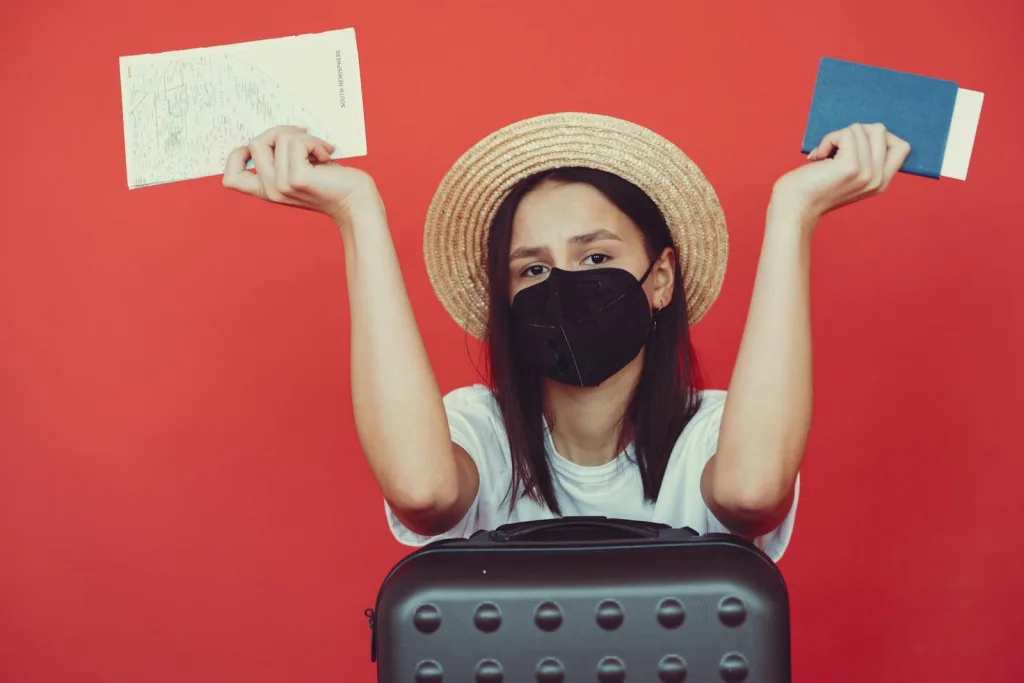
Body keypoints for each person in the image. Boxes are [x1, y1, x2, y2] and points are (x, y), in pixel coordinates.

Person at [222, 113, 910, 562]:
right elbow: (423, 493)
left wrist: (795, 213)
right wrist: (355, 211)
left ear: (661, 277)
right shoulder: (478, 430)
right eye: (534, 267)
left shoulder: (717, 434)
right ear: (507, 296)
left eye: (597, 257)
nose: (564, 282)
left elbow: (754, 490)